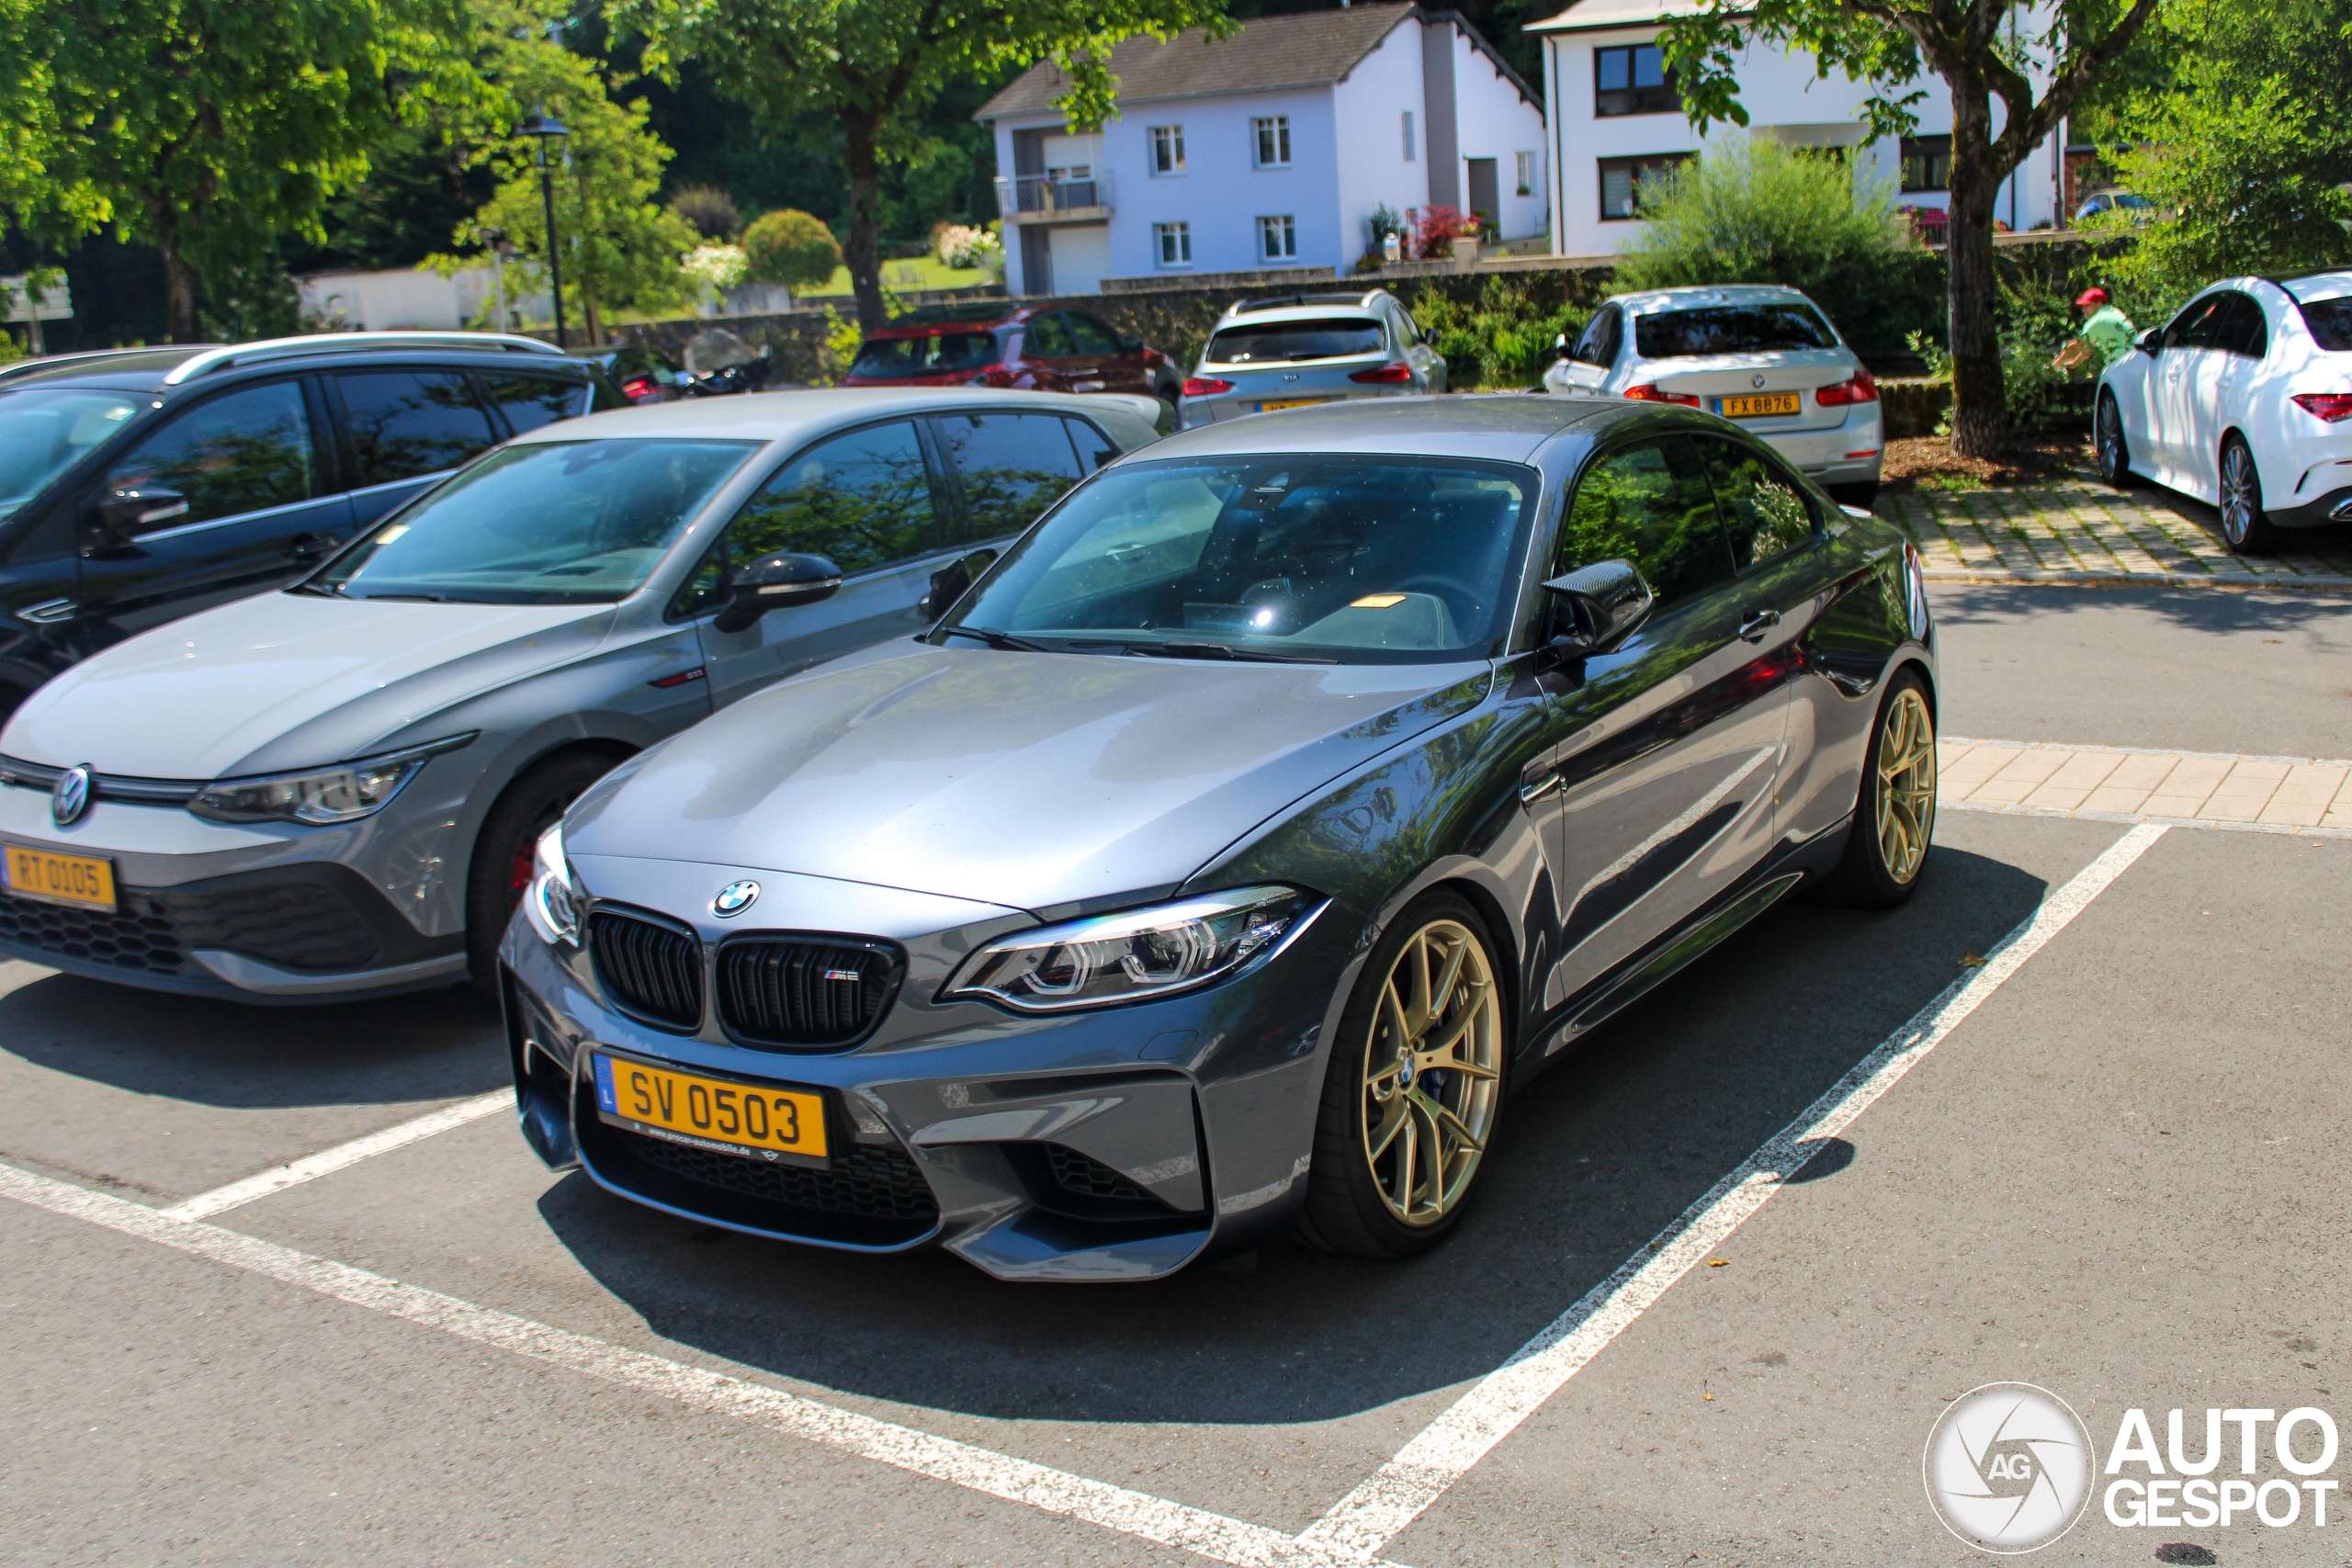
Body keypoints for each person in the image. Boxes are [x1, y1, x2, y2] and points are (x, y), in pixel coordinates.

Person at [2052, 287, 2135, 371]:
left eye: (2087, 305)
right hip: (2135, 362)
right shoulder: (2114, 312)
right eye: (2083, 306)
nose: (2084, 309)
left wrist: (2054, 366)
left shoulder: (2096, 321)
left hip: (2121, 367)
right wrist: (2071, 363)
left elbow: (2076, 347)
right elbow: (2087, 351)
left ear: (2098, 304)